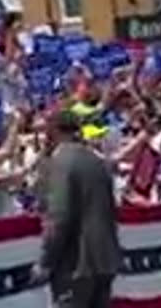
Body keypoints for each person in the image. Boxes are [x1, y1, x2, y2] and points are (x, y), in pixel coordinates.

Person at [35, 110, 121, 308]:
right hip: (105, 260)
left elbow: (60, 216)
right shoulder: (97, 161)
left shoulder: (61, 161)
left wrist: (46, 261)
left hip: (74, 264)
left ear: (54, 130)